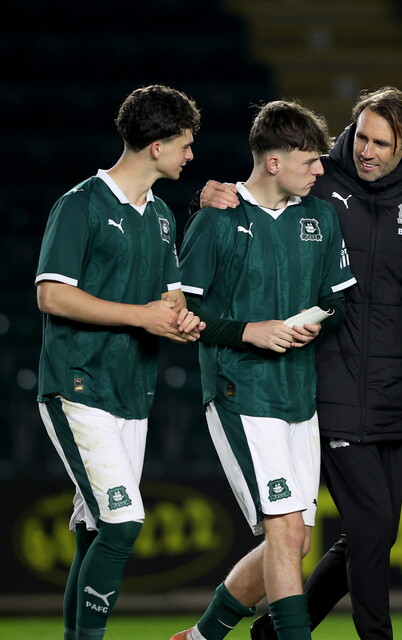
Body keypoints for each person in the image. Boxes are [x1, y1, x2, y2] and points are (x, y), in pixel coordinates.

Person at [197, 86, 402, 640]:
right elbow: (265, 177)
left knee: (371, 533)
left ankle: (262, 632)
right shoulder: (320, 178)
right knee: (355, 529)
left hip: (394, 388)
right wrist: (216, 194)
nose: (363, 150)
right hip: (327, 386)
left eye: (380, 143)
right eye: (359, 136)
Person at [170, 100, 356, 640]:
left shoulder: (319, 217)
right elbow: (183, 314)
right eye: (311, 161)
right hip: (238, 389)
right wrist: (251, 331)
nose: (321, 170)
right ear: (274, 161)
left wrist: (317, 321)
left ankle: (202, 637)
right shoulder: (217, 219)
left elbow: (339, 299)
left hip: (299, 393)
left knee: (293, 540)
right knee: (283, 530)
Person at [35, 84, 202, 640]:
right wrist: (142, 316)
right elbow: (52, 295)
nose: (190, 154)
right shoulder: (80, 204)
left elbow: (170, 299)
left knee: (94, 534)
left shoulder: (159, 216)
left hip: (132, 393)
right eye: (184, 143)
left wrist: (180, 319)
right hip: (78, 387)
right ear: (156, 146)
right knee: (124, 524)